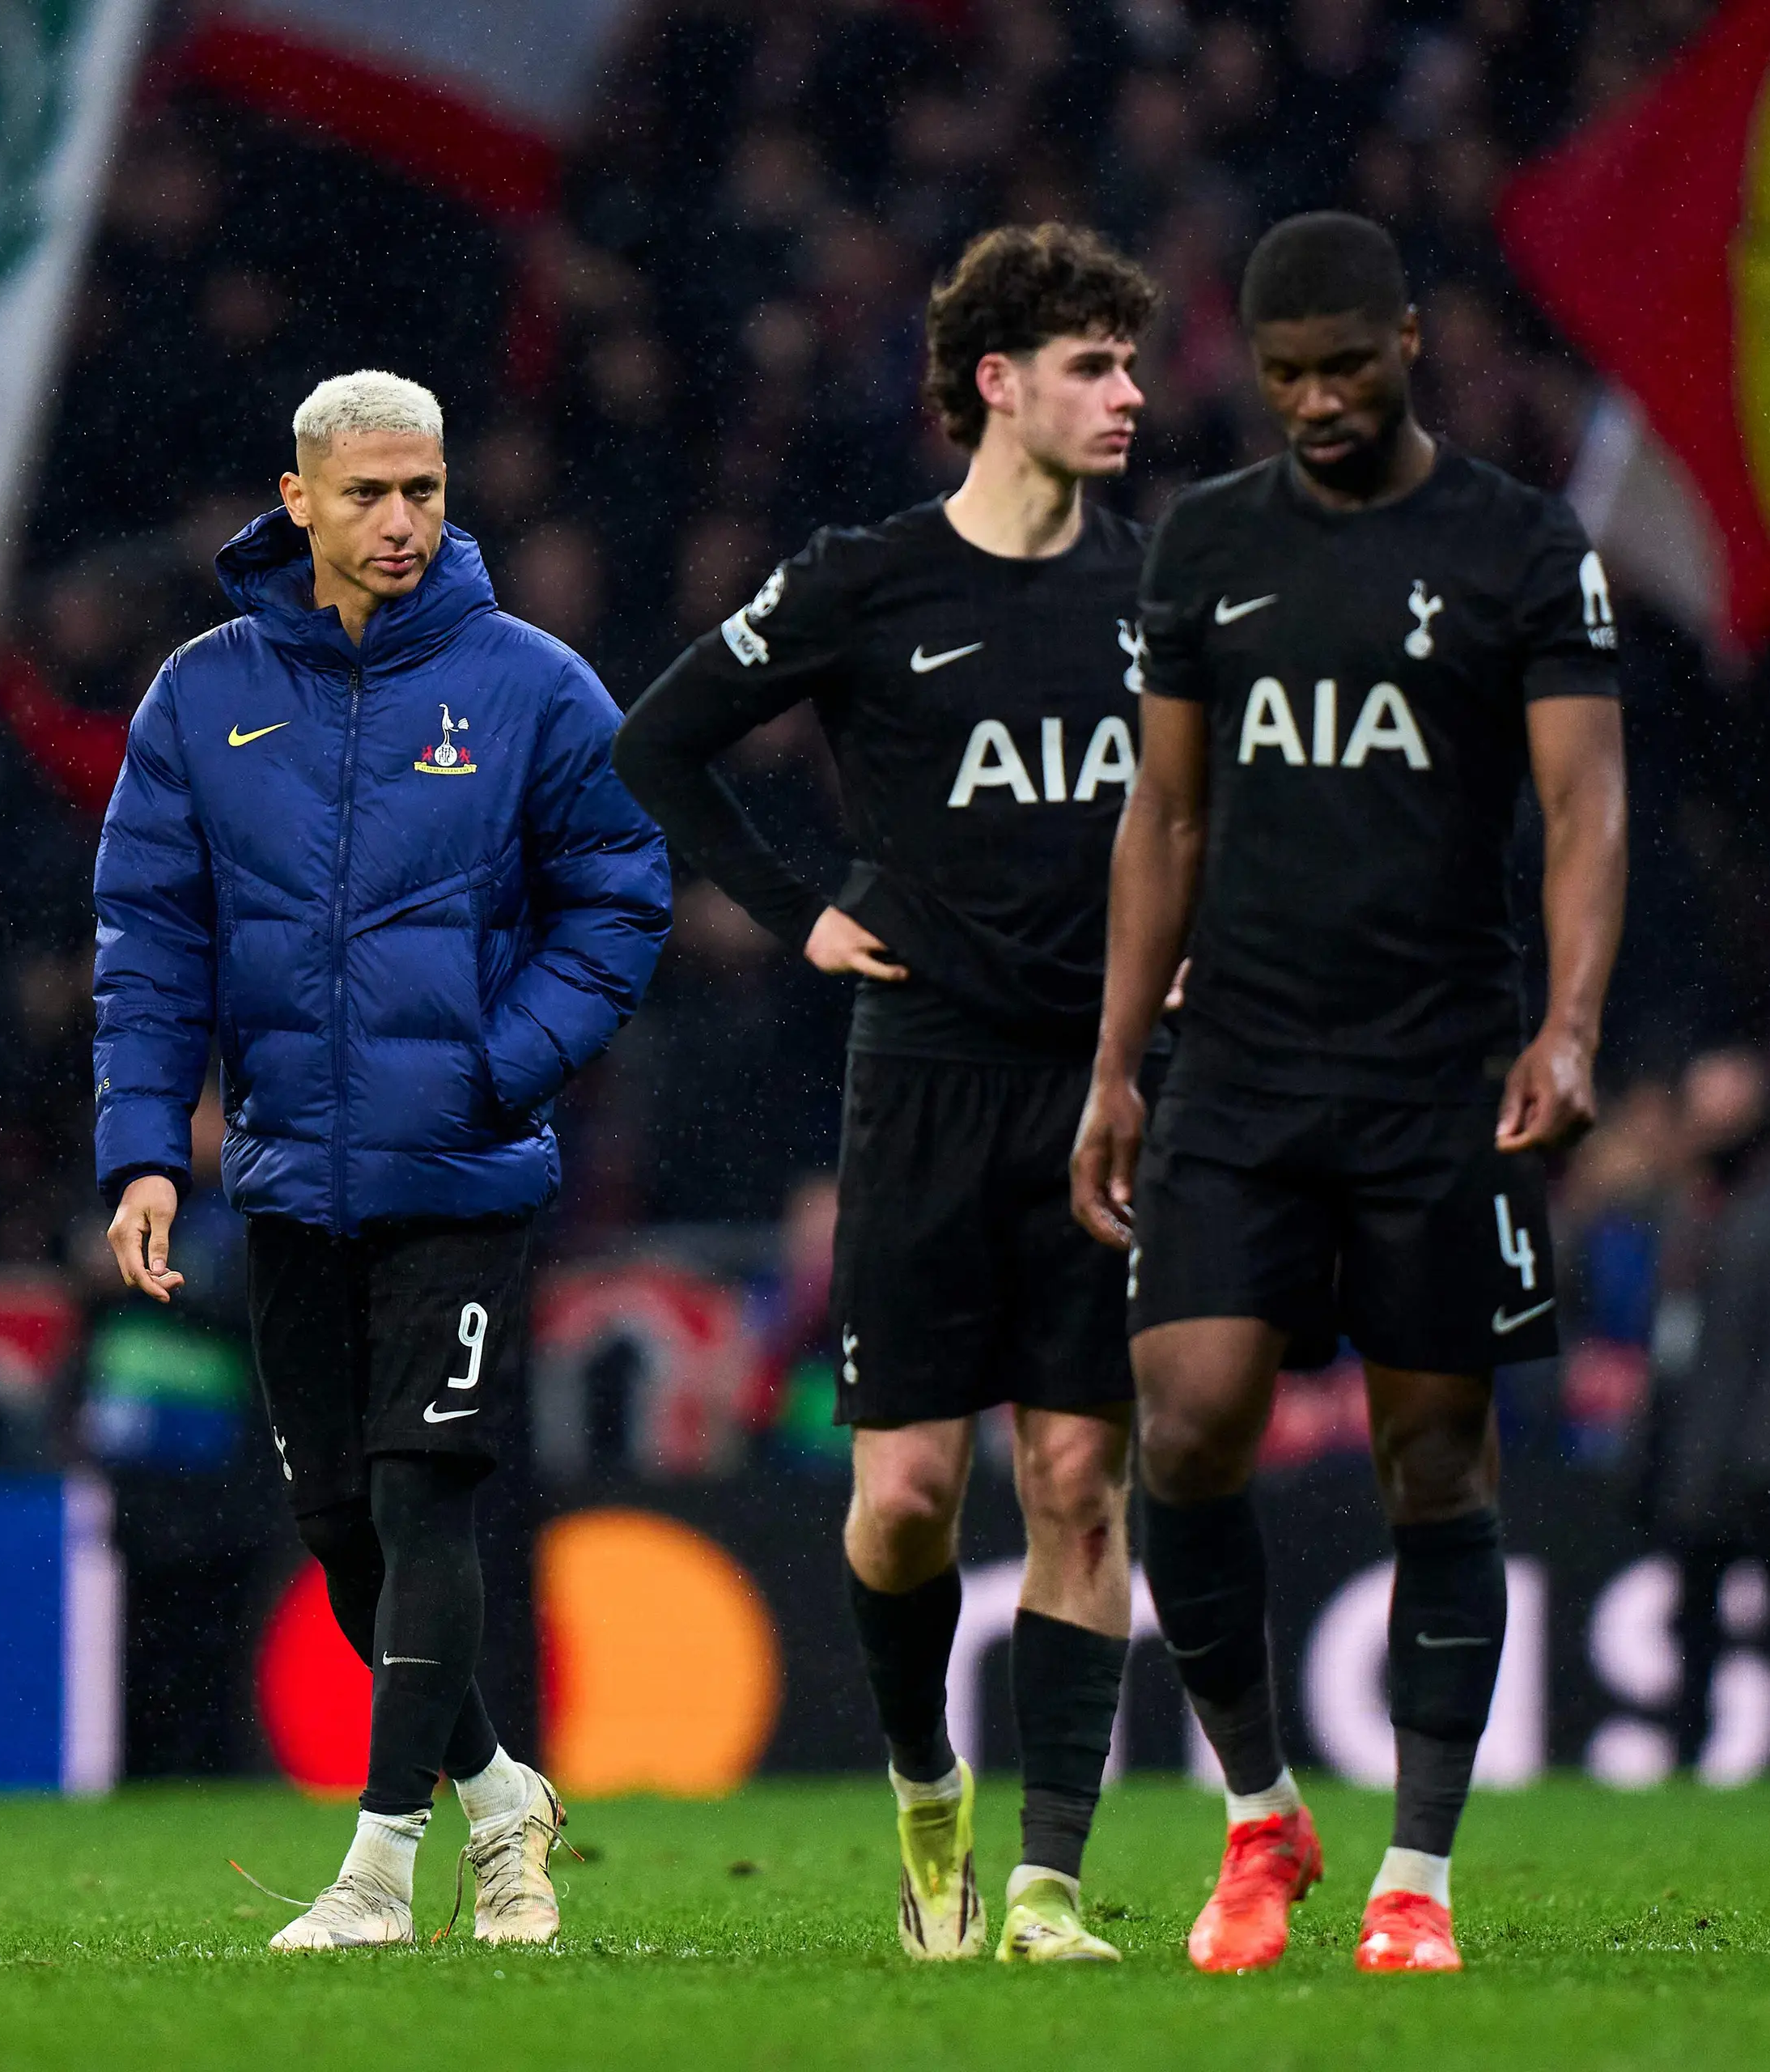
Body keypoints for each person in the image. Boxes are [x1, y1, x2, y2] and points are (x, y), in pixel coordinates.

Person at [1071, 212, 1628, 1976]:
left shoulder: (1521, 548)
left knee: (1433, 1455)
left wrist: (1572, 1025)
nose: (1317, 400)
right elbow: (1160, 816)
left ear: (1410, 339)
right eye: (1287, 372)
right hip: (1236, 1063)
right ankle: (1259, 1818)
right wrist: (1109, 1063)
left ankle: (1419, 1875)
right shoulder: (1204, 548)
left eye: (1347, 366)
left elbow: (1586, 803)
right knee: (1187, 1417)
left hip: (1436, 1077)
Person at [615, 223, 1159, 1964]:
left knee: (1079, 1476)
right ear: (996, 383)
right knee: (911, 1490)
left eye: (1133, 365)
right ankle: (929, 1793)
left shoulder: (1158, 593)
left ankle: (1055, 1883)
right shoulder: (864, 580)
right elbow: (659, 741)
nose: (1131, 394)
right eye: (1094, 364)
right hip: (921, 1080)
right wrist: (801, 913)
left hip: (1093, 1091)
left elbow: (1213, 813)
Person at [93, 371, 670, 1951]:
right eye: (369, 493)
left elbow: (621, 889)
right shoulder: (202, 697)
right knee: (343, 1522)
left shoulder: (535, 687)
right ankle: (502, 1798)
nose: (404, 519)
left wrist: (505, 1063)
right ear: (299, 499)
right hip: (287, 1179)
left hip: (464, 1175)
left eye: (424, 488)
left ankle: (381, 1868)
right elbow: (149, 940)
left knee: (428, 1498)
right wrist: (148, 1150)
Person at [1644, 1048, 1770, 1777]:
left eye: (1723, 1105)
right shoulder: (1690, 1208)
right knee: (1692, 1630)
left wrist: (1766, 1454)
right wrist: (1653, 1454)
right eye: (1699, 1105)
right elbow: (1669, 1346)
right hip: (1697, 1464)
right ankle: (1686, 1760)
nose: (1708, 1121)